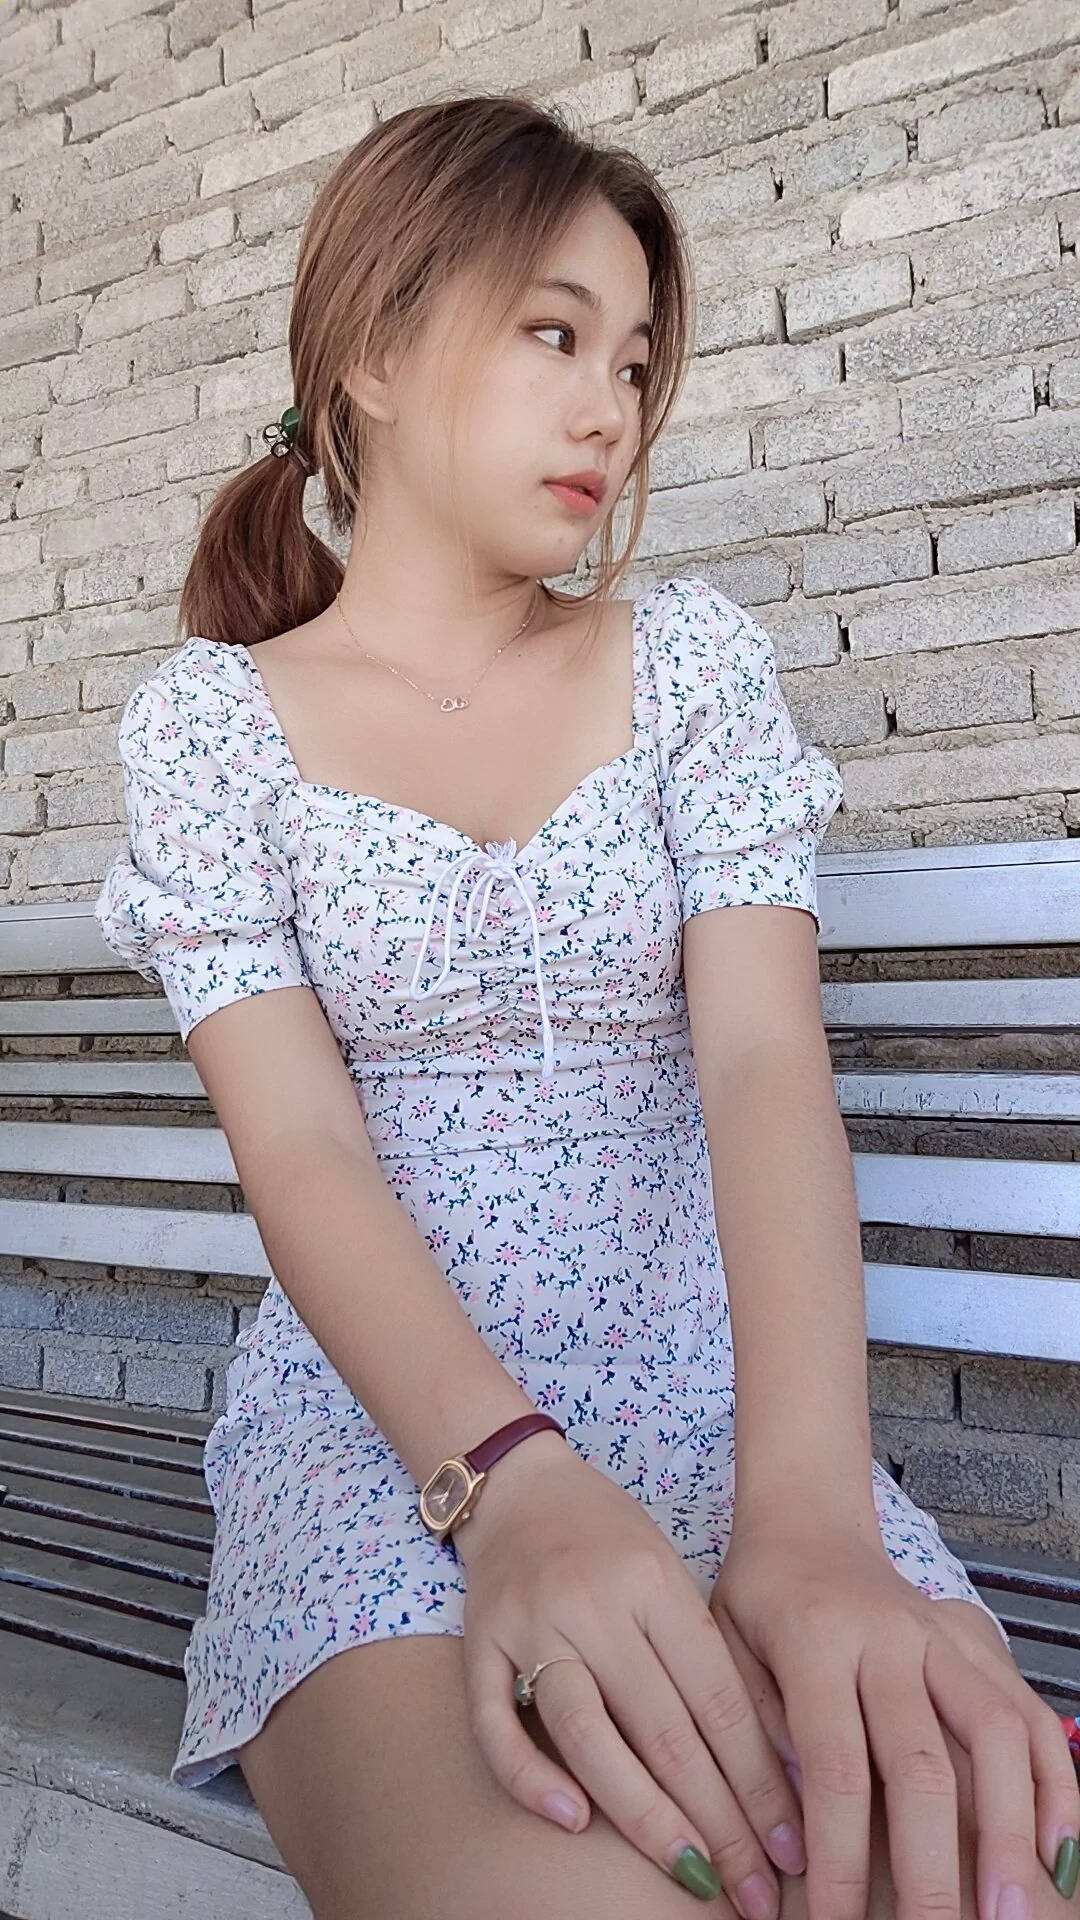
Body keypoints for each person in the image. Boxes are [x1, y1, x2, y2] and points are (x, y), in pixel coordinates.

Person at [93, 92, 1079, 1920]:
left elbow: (763, 1060)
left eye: (632, 361)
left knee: (972, 1871)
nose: (612, 408)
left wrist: (812, 1515)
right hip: (394, 1426)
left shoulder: (688, 665)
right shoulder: (212, 730)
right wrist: (506, 1482)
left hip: (735, 1399)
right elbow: (300, 1148)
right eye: (554, 334)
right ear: (373, 349)